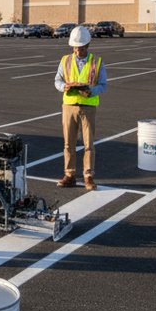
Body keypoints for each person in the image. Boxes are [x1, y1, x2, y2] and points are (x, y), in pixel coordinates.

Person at [54, 25, 108, 190]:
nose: (77, 51)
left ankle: (88, 176)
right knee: (68, 143)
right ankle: (69, 175)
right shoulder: (65, 60)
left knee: (88, 144)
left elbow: (103, 85)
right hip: (69, 106)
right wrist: (64, 86)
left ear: (87, 46)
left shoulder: (97, 62)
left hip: (88, 106)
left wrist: (91, 91)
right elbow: (57, 80)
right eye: (75, 48)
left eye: (81, 48)